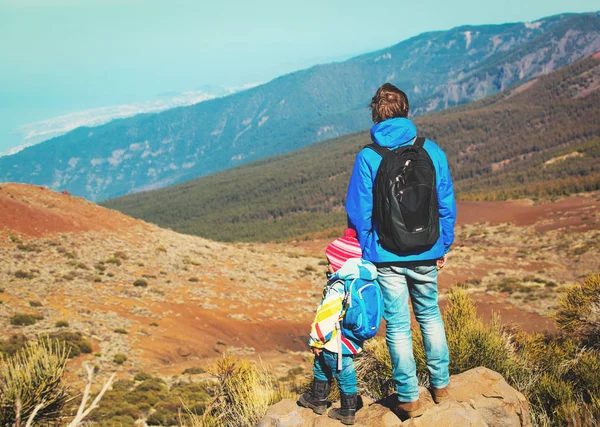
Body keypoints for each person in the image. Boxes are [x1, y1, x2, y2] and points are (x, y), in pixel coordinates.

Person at [345, 83, 456, 419]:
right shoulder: (432, 150)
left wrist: (367, 251)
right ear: (406, 111)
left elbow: (359, 212)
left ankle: (408, 397)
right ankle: (441, 386)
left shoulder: (368, 156)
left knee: (397, 326)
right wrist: (444, 244)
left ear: (376, 116)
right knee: (430, 316)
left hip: (385, 255)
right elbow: (445, 201)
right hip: (426, 249)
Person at [298, 228, 377, 425]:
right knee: (322, 366)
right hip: (350, 338)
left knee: (342, 373)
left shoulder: (339, 286)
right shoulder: (360, 280)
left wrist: (316, 340)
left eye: (330, 262)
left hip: (334, 341)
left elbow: (326, 316)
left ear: (339, 264)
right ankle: (320, 402)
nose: (328, 266)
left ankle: (345, 410)